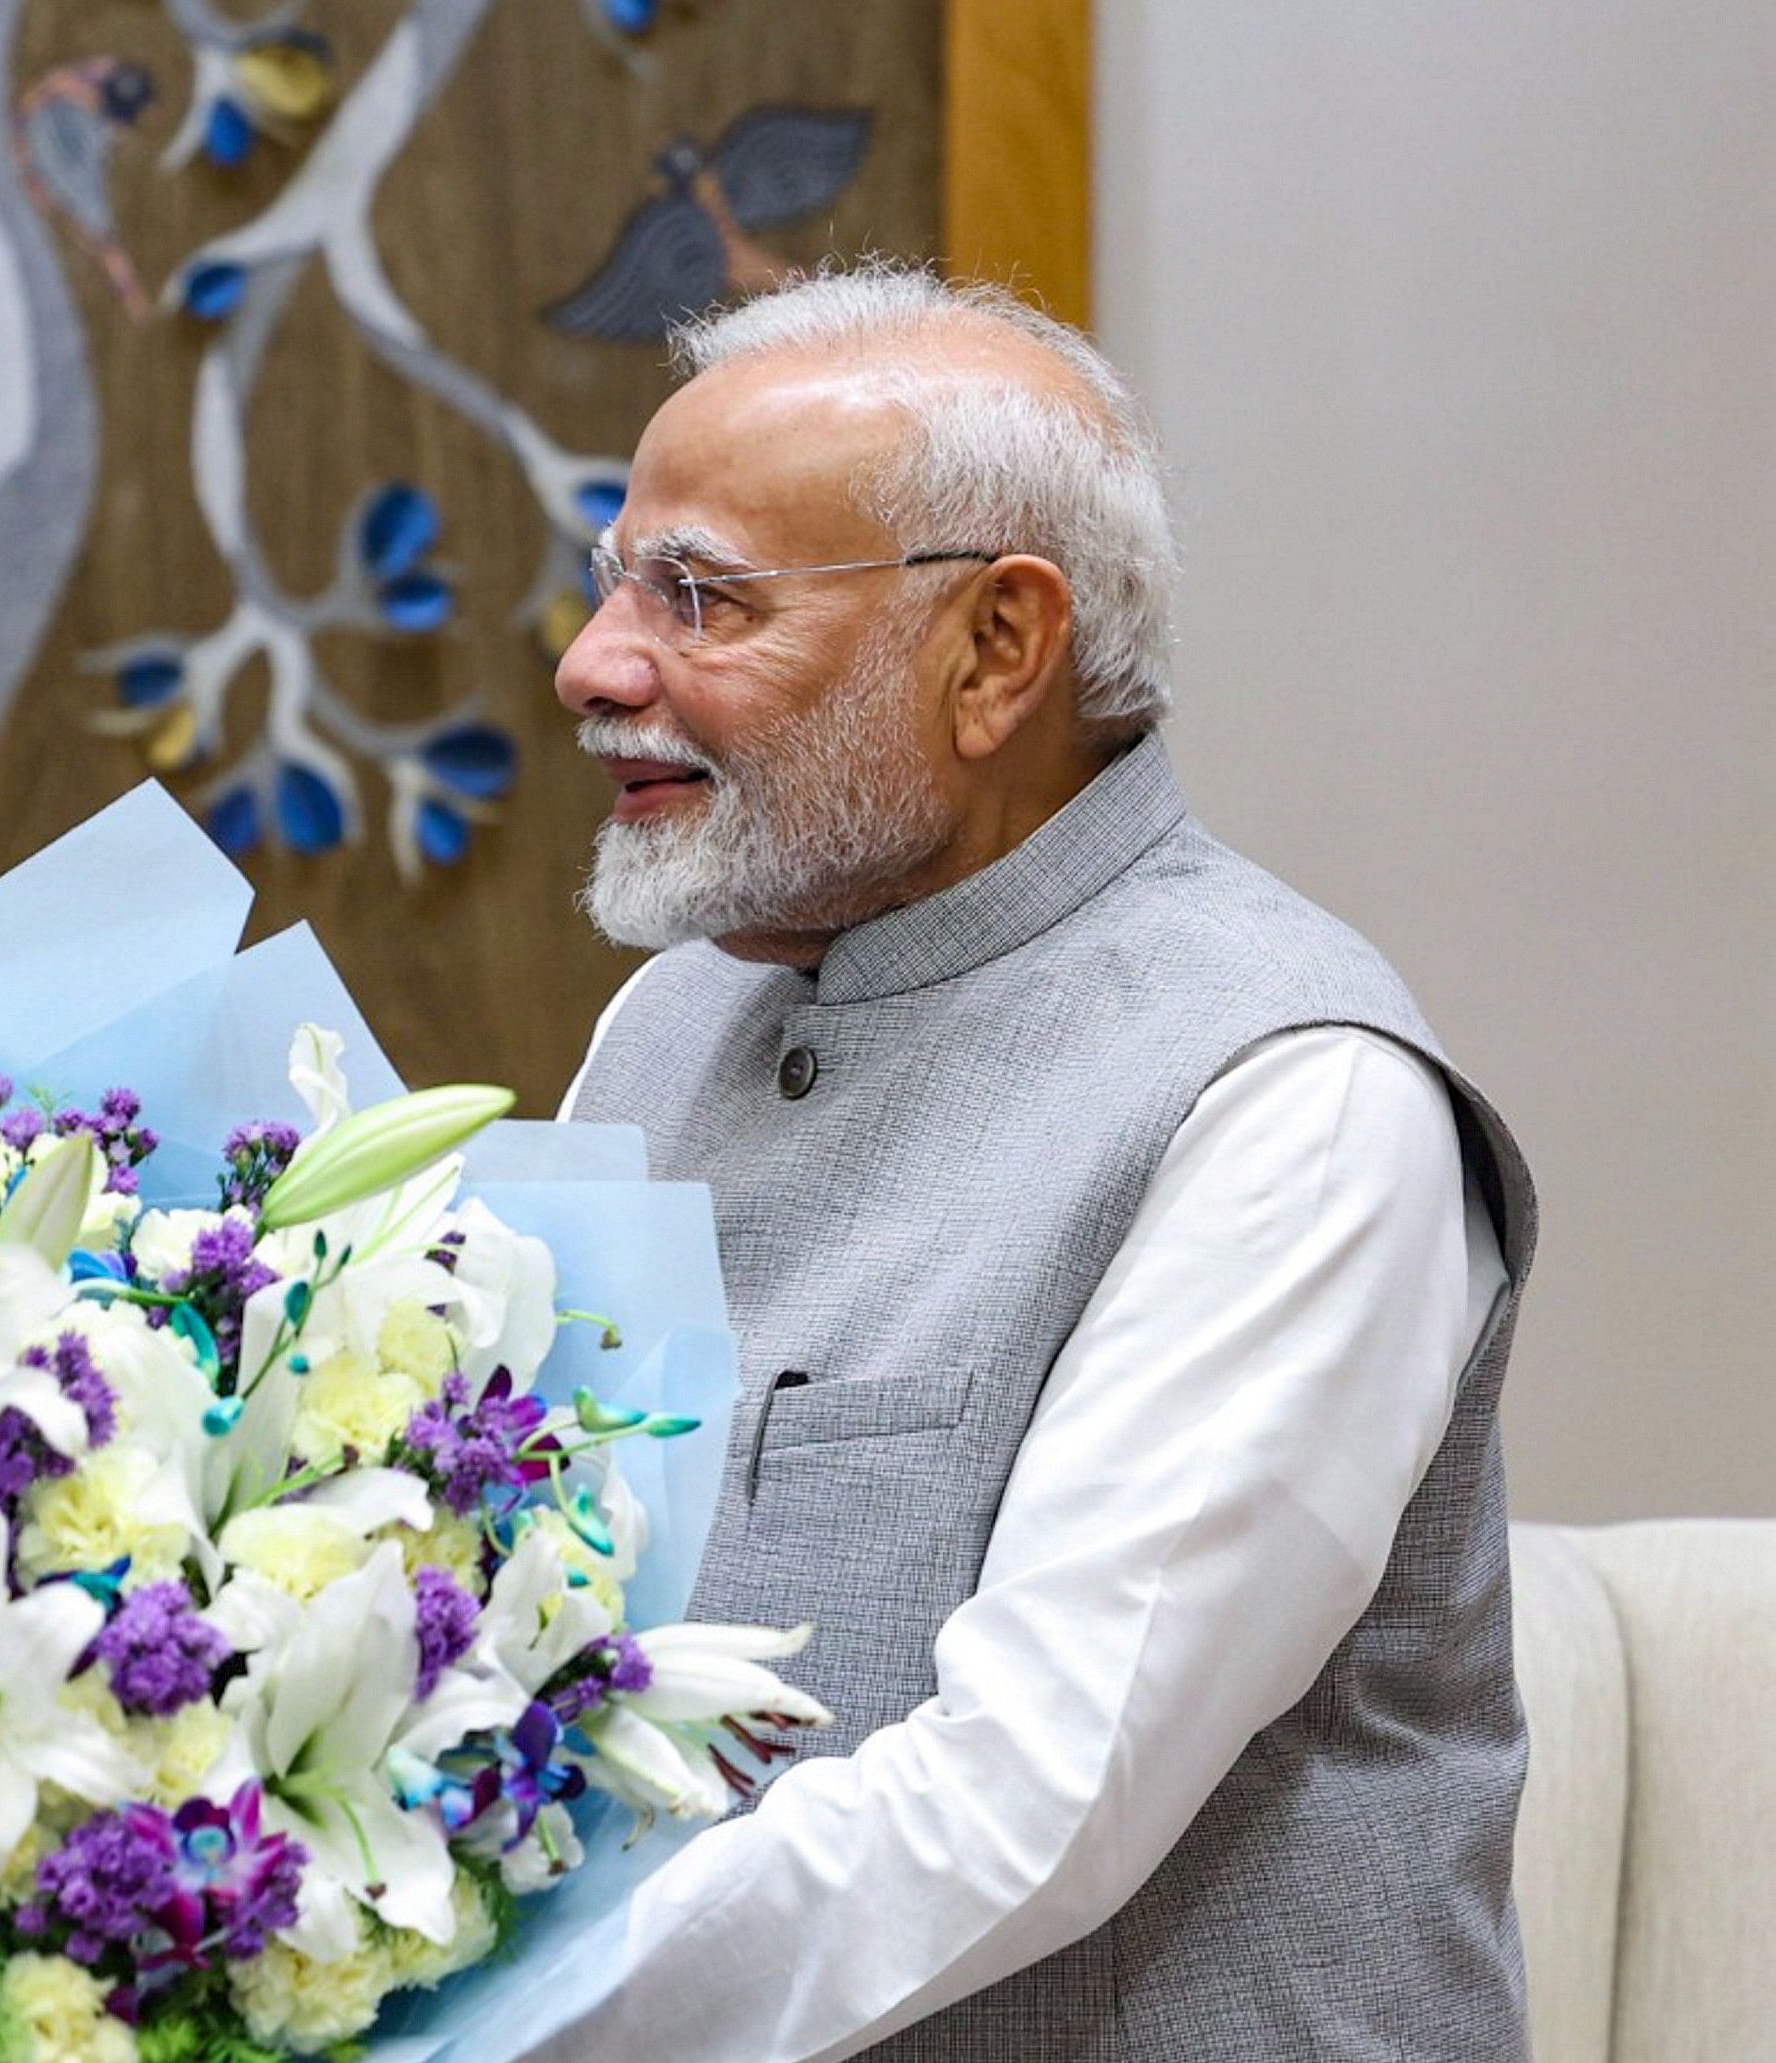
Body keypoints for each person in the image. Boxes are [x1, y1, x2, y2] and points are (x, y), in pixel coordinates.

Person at [538, 267, 1534, 2058]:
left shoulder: (1295, 1096)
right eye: (618, 580)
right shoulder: (664, 1024)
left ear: (996, 650)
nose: (597, 665)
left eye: (699, 597)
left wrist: (452, 2018)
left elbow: (1020, 1807)